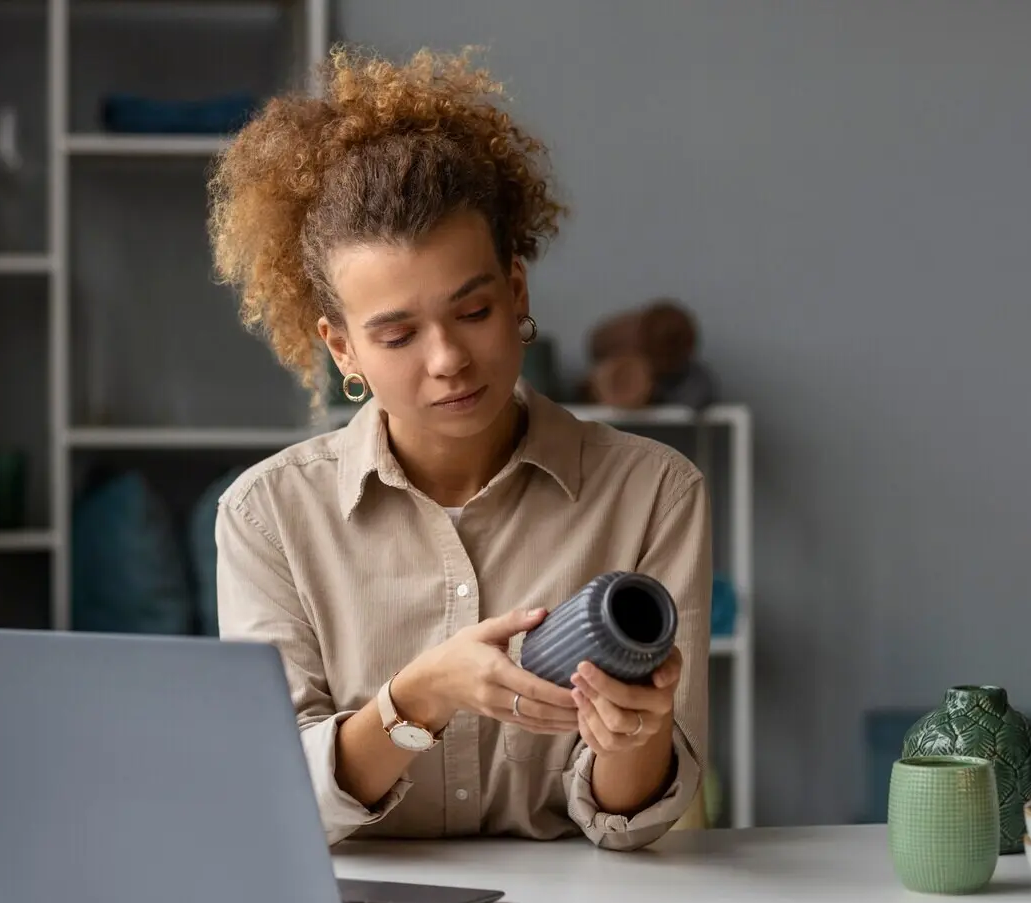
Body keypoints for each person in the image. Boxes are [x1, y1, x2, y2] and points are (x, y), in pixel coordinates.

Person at [207, 46, 712, 852]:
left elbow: (635, 823)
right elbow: (275, 797)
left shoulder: (654, 493)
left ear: (516, 293)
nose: (446, 359)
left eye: (473, 312)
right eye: (398, 334)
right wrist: (421, 697)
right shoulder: (269, 517)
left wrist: (634, 738)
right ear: (341, 350)